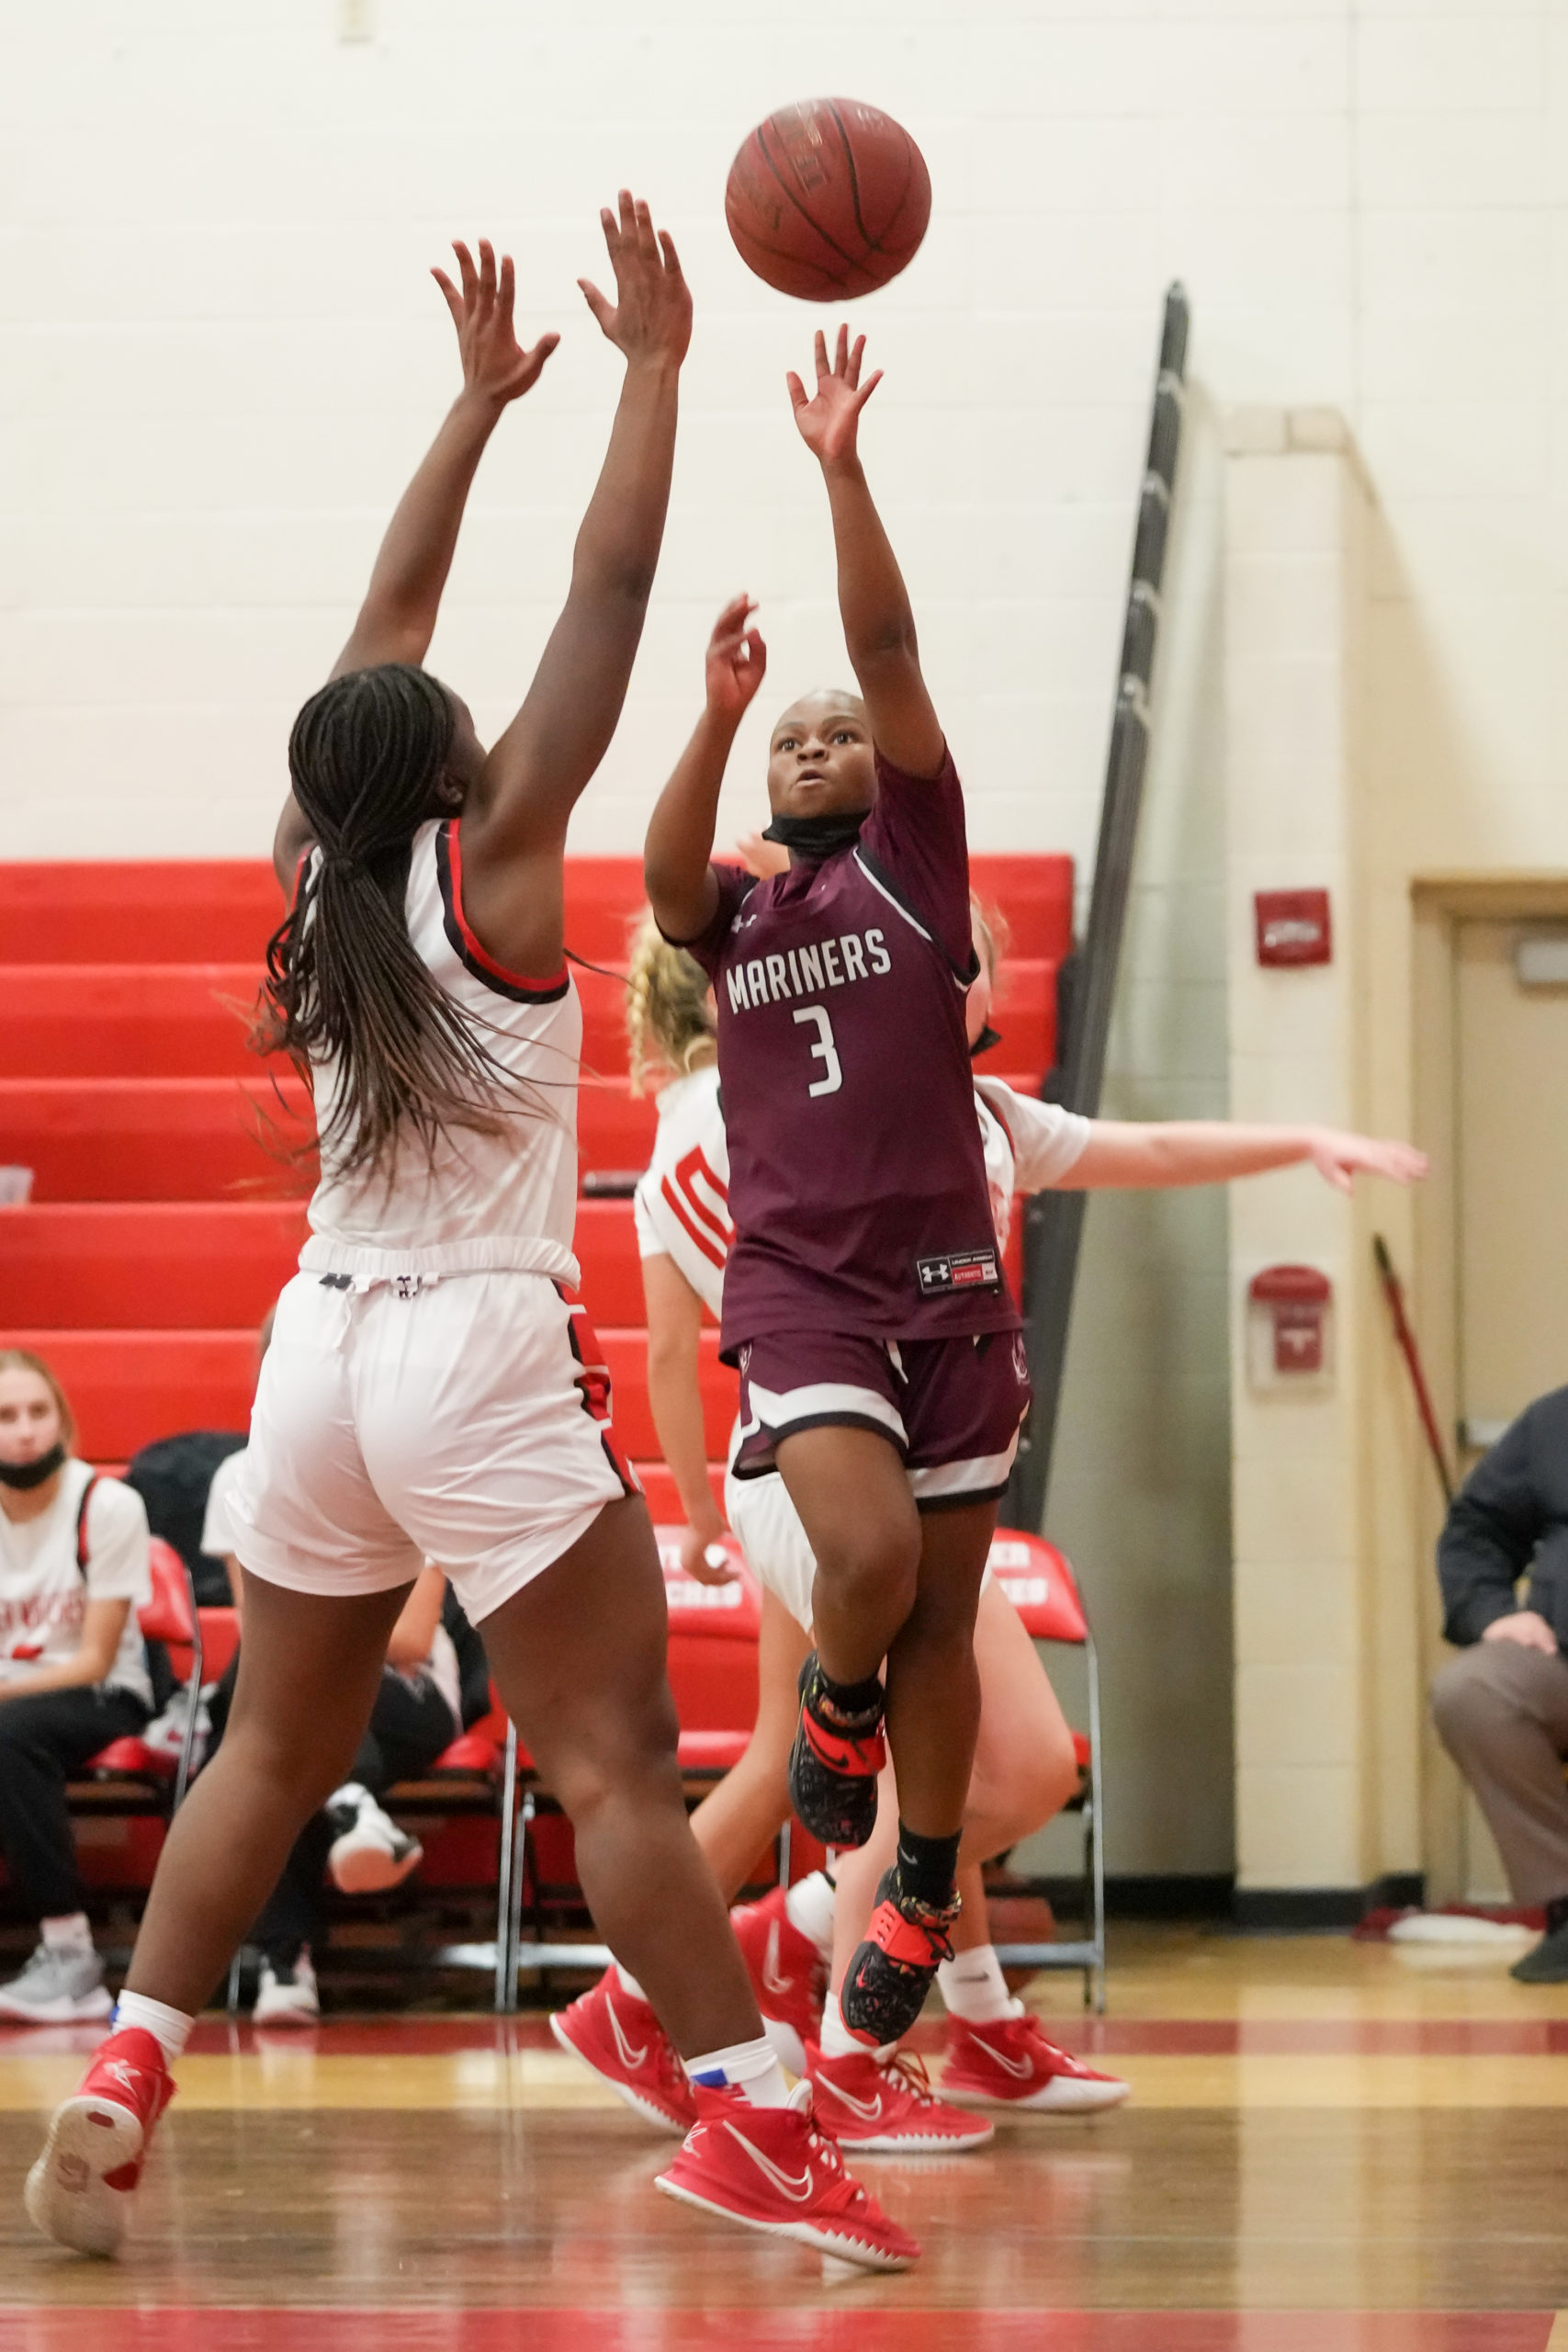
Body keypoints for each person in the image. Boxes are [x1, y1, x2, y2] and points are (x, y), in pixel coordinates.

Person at [27, 208, 912, 2278]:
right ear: (440, 762)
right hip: (470, 1345)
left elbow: (379, 618)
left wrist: (469, 405)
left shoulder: (310, 877)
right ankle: (757, 2119)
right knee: (609, 1753)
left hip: (311, 1356)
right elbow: (607, 588)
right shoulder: (495, 866)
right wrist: (655, 368)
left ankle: (131, 2065)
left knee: (270, 1732)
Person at [563, 902, 1426, 2141]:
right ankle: (834, 2027)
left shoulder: (930, 1112)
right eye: (950, 957)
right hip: (849, 1485)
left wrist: (1298, 1136)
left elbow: (1153, 1147)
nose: (976, 978)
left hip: (824, 1473)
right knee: (1005, 1768)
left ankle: (943, 2014)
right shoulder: (818, 1109)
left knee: (839, 1761)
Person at [643, 327, 1036, 2054]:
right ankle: (834, 1694)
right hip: (804, 1289)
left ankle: (922, 1890)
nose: (812, 734)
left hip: (948, 1289)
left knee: (950, 1618)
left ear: (883, 771)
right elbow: (659, 874)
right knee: (864, 1557)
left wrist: (839, 467)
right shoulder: (736, 913)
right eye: (785, 734)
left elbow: (882, 644)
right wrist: (714, 707)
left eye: (830, 727)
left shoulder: (914, 867)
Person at [0, 1352, 154, 2025]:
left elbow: (94, 1659)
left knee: (9, 1734)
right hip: (14, 1700)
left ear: (63, 1421)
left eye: (39, 1412)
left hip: (104, 1693)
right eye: (6, 1416)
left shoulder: (108, 1504)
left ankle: (71, 1957)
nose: (26, 1429)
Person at [1430, 1385, 1568, 1984]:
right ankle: (1566, 1903)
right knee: (1472, 1690)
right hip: (1561, 1658)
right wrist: (1491, 1612)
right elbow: (1475, 1529)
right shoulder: (1553, 1421)